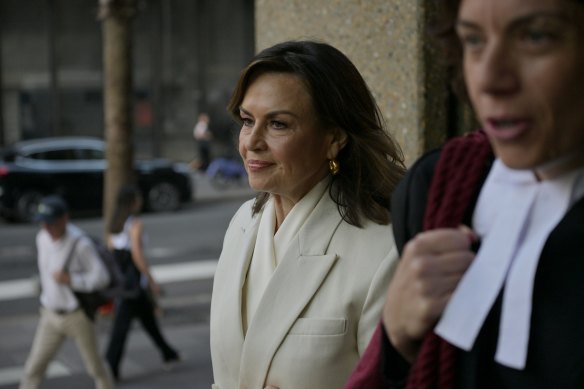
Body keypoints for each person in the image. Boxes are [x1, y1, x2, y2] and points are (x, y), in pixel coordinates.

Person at [346, 0, 584, 388]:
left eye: (535, 37)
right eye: (474, 40)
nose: (490, 78)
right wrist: (399, 339)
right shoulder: (436, 189)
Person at [209, 40, 406, 389]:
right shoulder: (242, 224)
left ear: (334, 139)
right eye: (247, 120)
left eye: (278, 124)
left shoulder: (383, 251)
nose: (251, 142)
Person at [20, 195, 114, 389]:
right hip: (50, 315)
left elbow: (102, 278)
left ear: (65, 219)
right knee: (33, 369)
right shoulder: (42, 238)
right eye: (42, 223)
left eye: (51, 223)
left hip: (77, 316)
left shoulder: (80, 244)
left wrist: (72, 280)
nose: (46, 228)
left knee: (95, 368)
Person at [104, 186, 179, 381]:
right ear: (131, 202)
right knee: (121, 327)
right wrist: (152, 281)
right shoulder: (135, 224)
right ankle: (110, 366)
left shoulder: (114, 225)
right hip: (133, 283)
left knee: (148, 320)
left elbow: (112, 253)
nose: (140, 201)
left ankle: (168, 352)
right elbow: (137, 254)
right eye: (137, 198)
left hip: (123, 281)